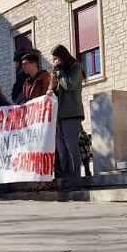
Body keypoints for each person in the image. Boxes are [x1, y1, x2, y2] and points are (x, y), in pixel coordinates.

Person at [50, 45, 86, 188]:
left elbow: (69, 85)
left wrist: (59, 72)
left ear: (63, 56)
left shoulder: (76, 68)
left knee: (72, 149)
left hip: (71, 114)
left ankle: (75, 180)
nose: (55, 62)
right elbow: (57, 90)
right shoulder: (61, 72)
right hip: (59, 115)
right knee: (62, 150)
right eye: (54, 60)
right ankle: (65, 180)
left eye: (57, 59)